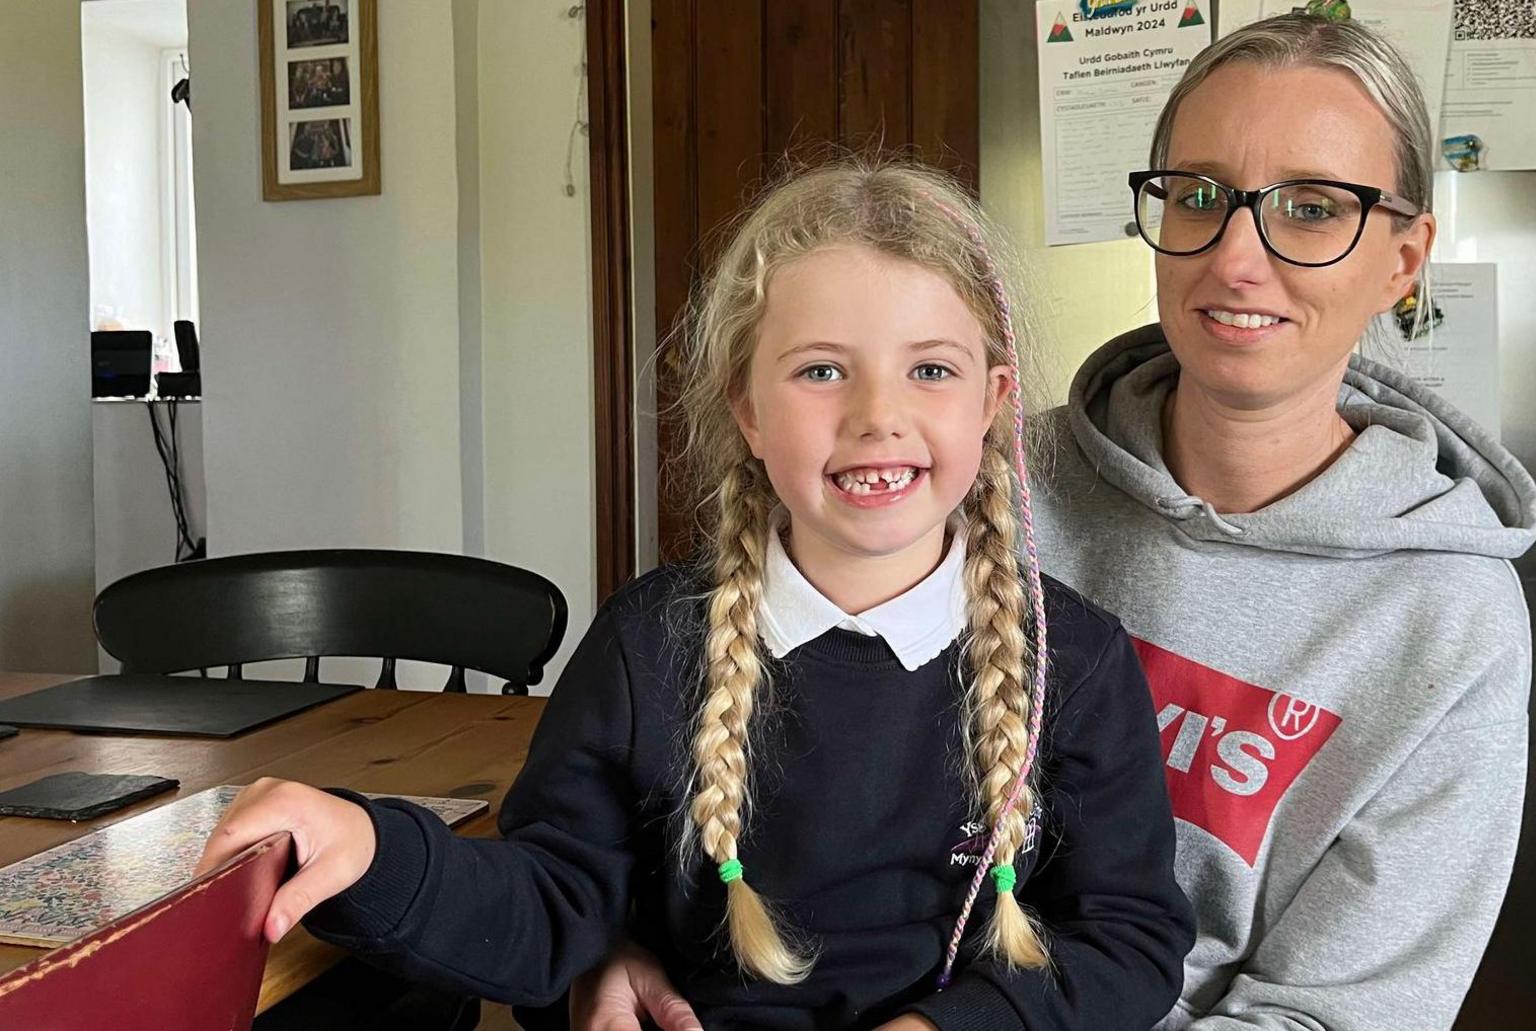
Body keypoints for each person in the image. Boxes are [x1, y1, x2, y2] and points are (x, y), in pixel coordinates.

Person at [577, 14, 1536, 1031]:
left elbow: (1345, 1014)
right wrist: (618, 935)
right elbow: (709, 751)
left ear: (1403, 259)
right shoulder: (967, 469)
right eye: (1200, 196)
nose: (1237, 257)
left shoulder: (1451, 613)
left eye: (1311, 208)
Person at [196, 161, 1194, 1029]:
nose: (877, 415)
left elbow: (1130, 941)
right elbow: (552, 907)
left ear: (993, 399)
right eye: (820, 371)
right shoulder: (648, 644)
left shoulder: (1079, 657)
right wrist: (376, 849)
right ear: (748, 410)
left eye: (929, 368)